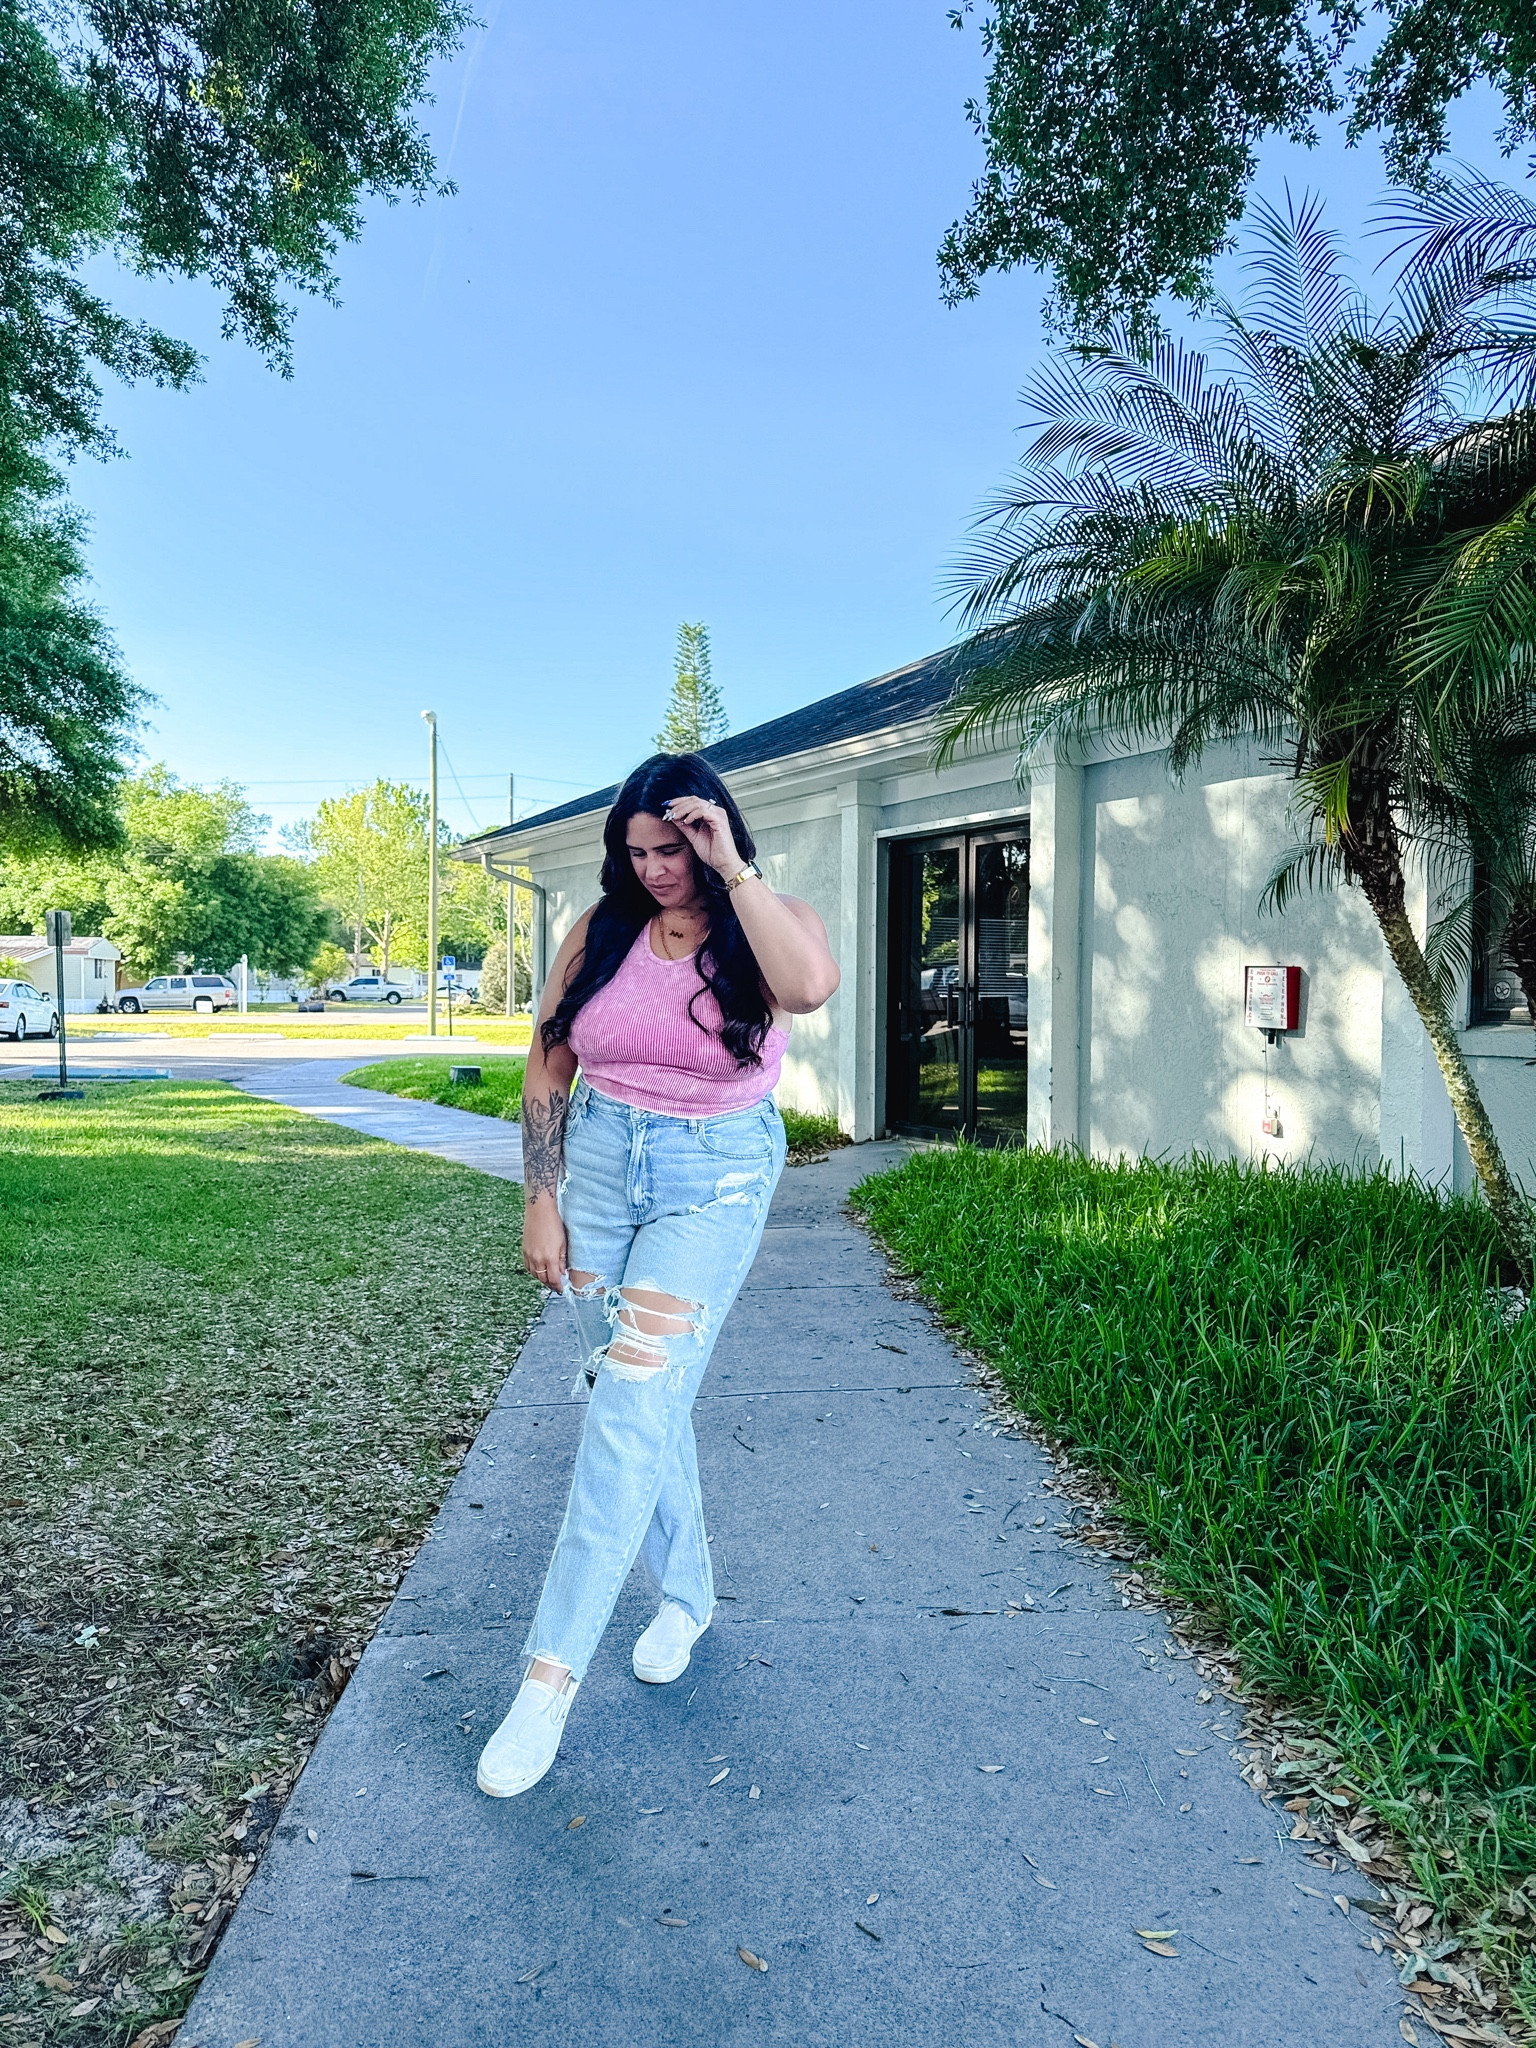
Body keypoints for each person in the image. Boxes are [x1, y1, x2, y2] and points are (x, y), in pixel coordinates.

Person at [477, 754, 841, 1798]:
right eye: (636, 852)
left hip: (711, 1173)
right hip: (594, 1164)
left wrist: (732, 872)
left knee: (630, 1407)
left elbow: (808, 988)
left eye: (672, 847)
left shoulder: (768, 914)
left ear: (713, 832)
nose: (655, 868)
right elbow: (551, 1054)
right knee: (636, 1397)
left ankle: (547, 1680)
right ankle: (685, 1594)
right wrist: (539, 1194)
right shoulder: (597, 927)